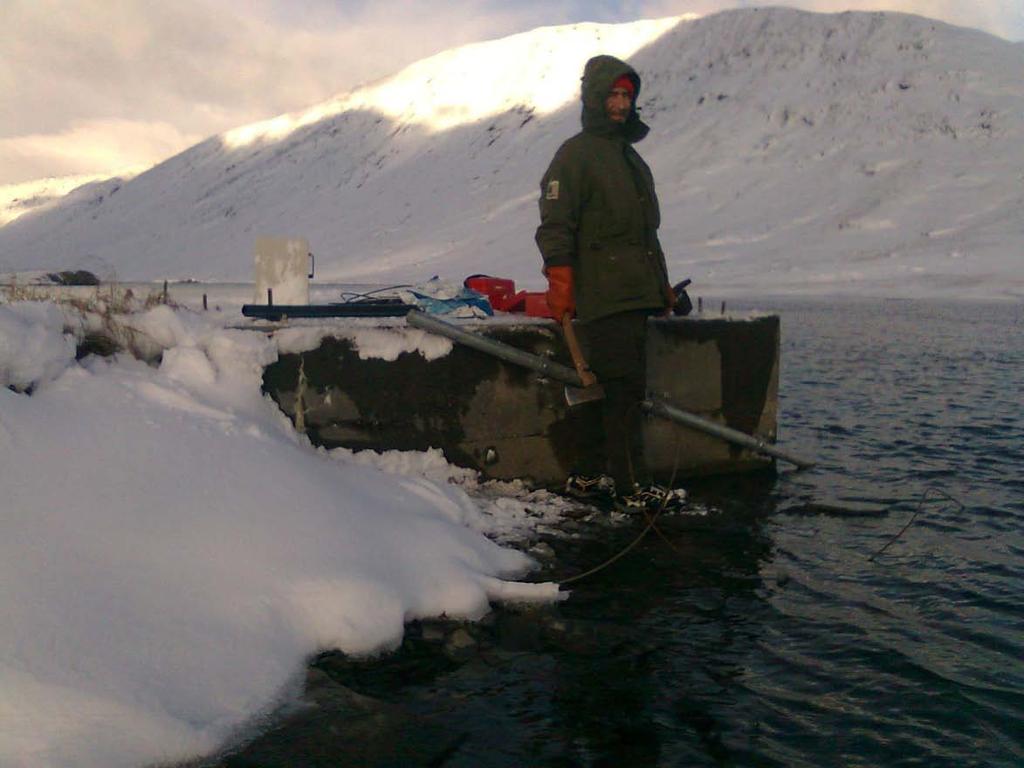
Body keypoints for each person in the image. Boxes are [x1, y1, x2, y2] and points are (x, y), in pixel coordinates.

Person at [535, 54, 684, 510]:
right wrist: (560, 280)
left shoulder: (629, 159)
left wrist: (661, 289)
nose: (621, 103)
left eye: (627, 95)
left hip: (631, 293)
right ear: (595, 98)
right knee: (624, 393)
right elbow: (555, 223)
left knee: (605, 392)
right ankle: (632, 488)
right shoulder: (575, 156)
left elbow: (645, 236)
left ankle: (588, 477)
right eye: (613, 94)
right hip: (604, 297)